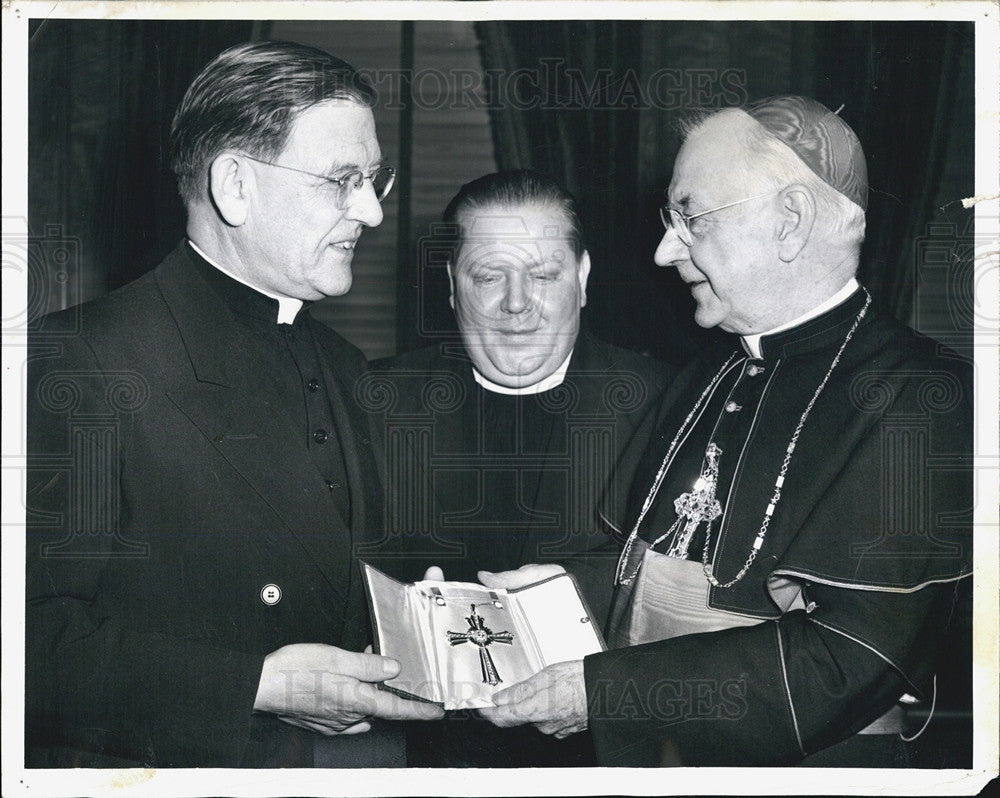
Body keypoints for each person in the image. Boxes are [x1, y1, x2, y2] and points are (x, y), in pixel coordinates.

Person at [478, 96, 973, 767]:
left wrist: (604, 695)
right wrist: (558, 590)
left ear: (790, 222)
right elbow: (677, 567)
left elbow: (848, 661)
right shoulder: (707, 371)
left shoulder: (920, 396)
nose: (662, 251)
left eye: (691, 219)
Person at [25, 40, 441, 768]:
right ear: (235, 186)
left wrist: (411, 616)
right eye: (343, 180)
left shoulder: (347, 368)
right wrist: (254, 685)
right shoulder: (81, 361)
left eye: (376, 179)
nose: (372, 212)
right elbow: (27, 643)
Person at [362, 170, 674, 765]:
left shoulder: (667, 405)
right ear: (452, 287)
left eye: (543, 275)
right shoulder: (374, 403)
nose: (516, 303)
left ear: (582, 280)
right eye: (488, 276)